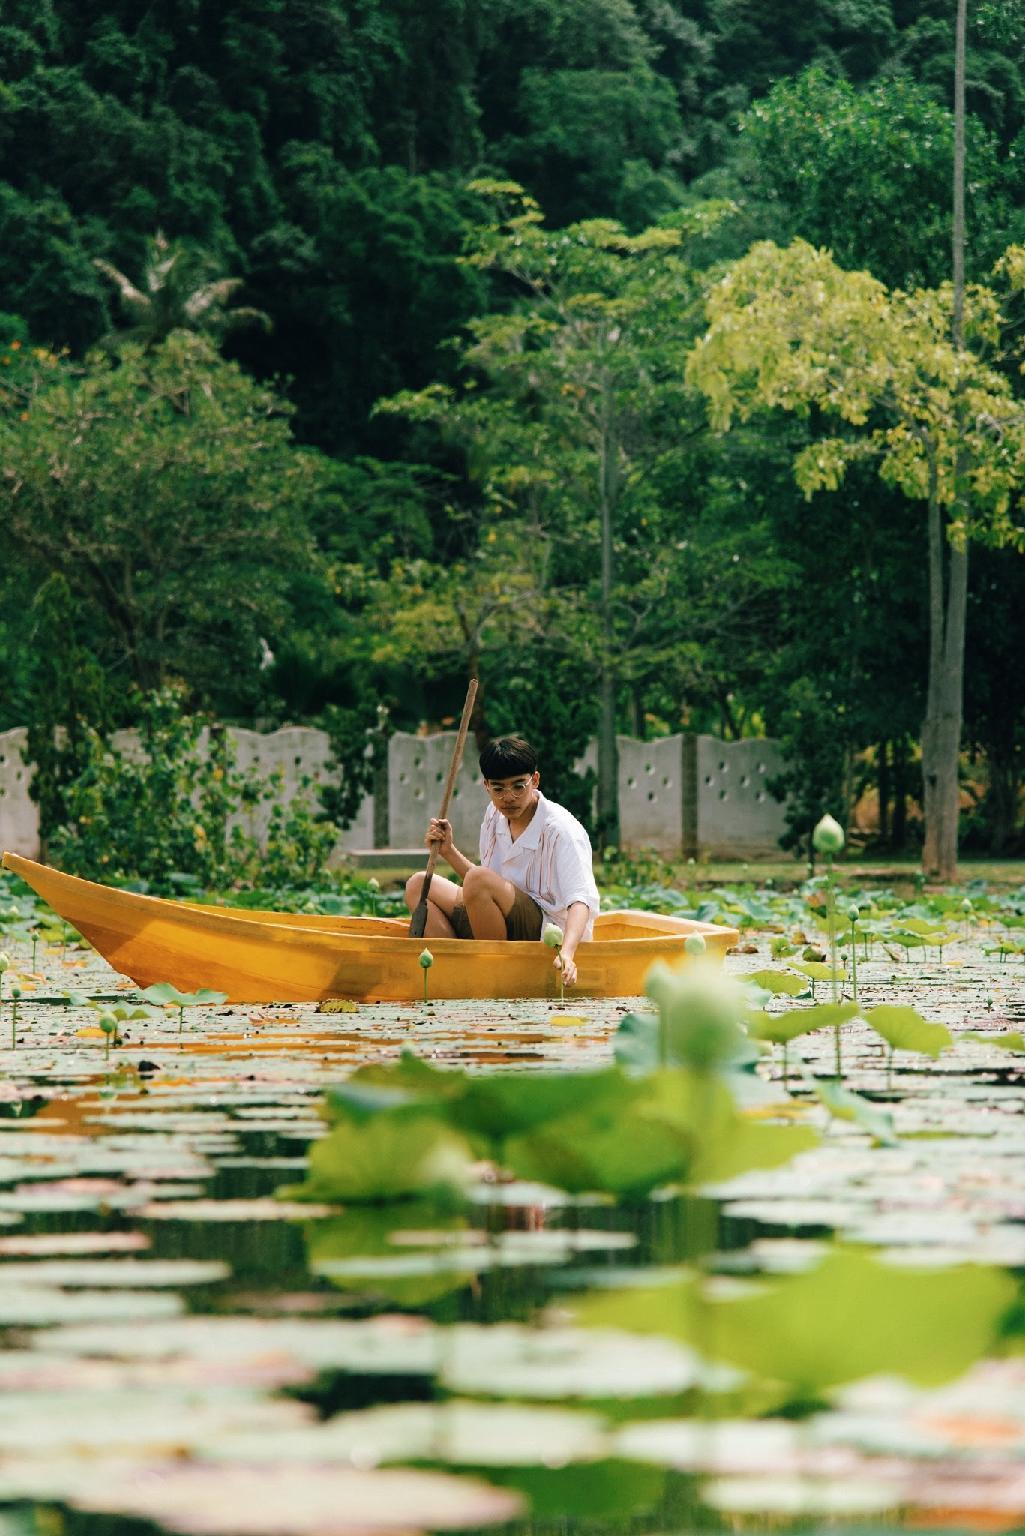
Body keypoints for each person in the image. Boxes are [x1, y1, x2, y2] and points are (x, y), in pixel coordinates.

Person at [404, 736, 600, 986]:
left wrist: (569, 953)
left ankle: (493, 972)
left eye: (519, 786)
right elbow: (483, 891)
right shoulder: (494, 815)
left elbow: (580, 900)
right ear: (486, 786)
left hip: (547, 933)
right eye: (498, 788)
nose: (508, 797)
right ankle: (450, 971)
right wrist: (448, 851)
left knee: (477, 878)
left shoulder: (560, 830)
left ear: (535, 780)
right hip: (499, 924)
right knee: (419, 884)